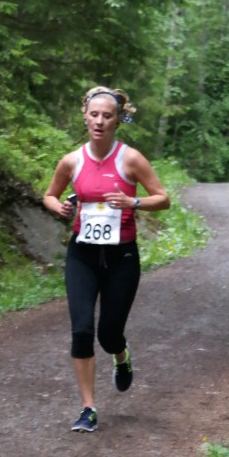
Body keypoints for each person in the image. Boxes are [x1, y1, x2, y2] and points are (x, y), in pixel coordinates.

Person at [43, 86, 170, 432]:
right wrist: (60, 207)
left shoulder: (130, 159)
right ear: (84, 116)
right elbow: (50, 196)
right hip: (82, 253)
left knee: (108, 333)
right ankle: (88, 408)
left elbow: (163, 197)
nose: (99, 121)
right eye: (94, 115)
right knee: (82, 330)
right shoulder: (72, 161)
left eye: (107, 116)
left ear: (117, 121)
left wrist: (135, 203)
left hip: (122, 257)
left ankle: (121, 355)